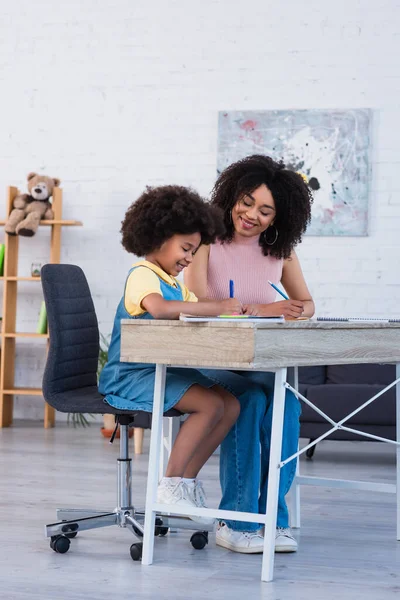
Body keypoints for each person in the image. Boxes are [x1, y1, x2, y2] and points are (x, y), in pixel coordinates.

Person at [185, 155, 315, 551]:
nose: (251, 215)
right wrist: (255, 308)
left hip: (257, 362)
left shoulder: (281, 252)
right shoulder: (205, 239)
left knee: (287, 406)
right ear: (231, 196)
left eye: (265, 210)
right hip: (206, 360)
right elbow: (198, 298)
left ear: (278, 217)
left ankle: (272, 521)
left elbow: (306, 304)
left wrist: (291, 310)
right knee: (250, 400)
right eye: (246, 201)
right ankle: (235, 520)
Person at [98, 185, 243, 526]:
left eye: (194, 251)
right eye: (185, 248)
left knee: (230, 404)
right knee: (209, 405)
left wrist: (236, 311)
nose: (189, 259)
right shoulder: (142, 275)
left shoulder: (175, 283)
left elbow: (193, 309)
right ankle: (170, 483)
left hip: (159, 372)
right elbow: (161, 309)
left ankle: (185, 483)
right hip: (129, 376)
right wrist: (217, 306)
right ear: (159, 237)